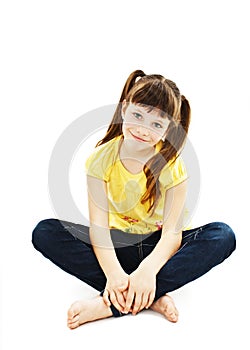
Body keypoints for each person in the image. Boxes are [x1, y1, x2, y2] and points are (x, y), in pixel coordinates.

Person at [32, 69, 236, 329]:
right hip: (117, 247)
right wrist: (115, 273)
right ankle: (149, 296)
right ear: (124, 109)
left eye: (156, 124)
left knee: (222, 235)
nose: (143, 129)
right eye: (138, 115)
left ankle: (113, 304)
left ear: (168, 130)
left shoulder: (171, 165)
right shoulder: (100, 160)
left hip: (160, 250)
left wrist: (149, 270)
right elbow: (99, 229)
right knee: (46, 231)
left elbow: (172, 235)